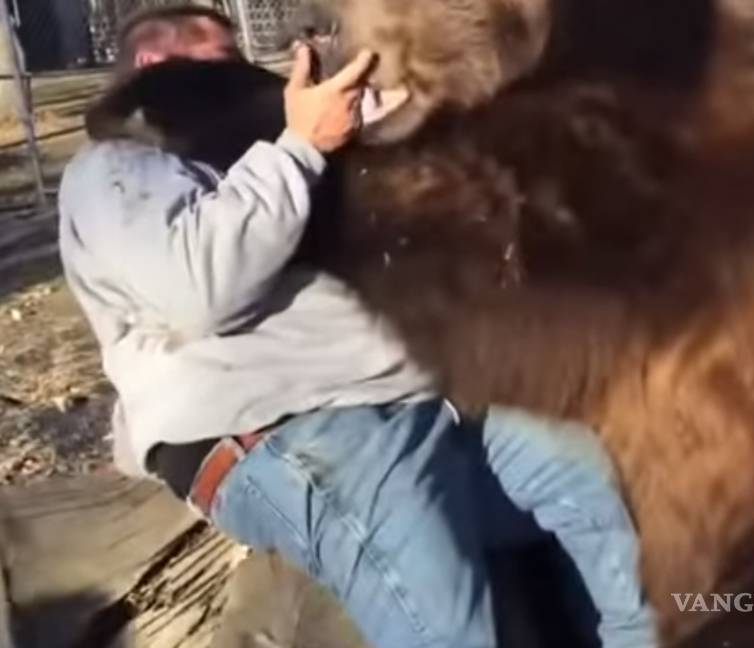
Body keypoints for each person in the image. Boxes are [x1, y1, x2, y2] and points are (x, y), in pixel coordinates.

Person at [58, 6, 658, 647]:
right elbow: (197, 288)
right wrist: (301, 147)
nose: (243, 72)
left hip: (421, 400)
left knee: (584, 473)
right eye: (222, 56)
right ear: (153, 63)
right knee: (449, 628)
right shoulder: (116, 169)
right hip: (294, 430)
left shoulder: (249, 152)